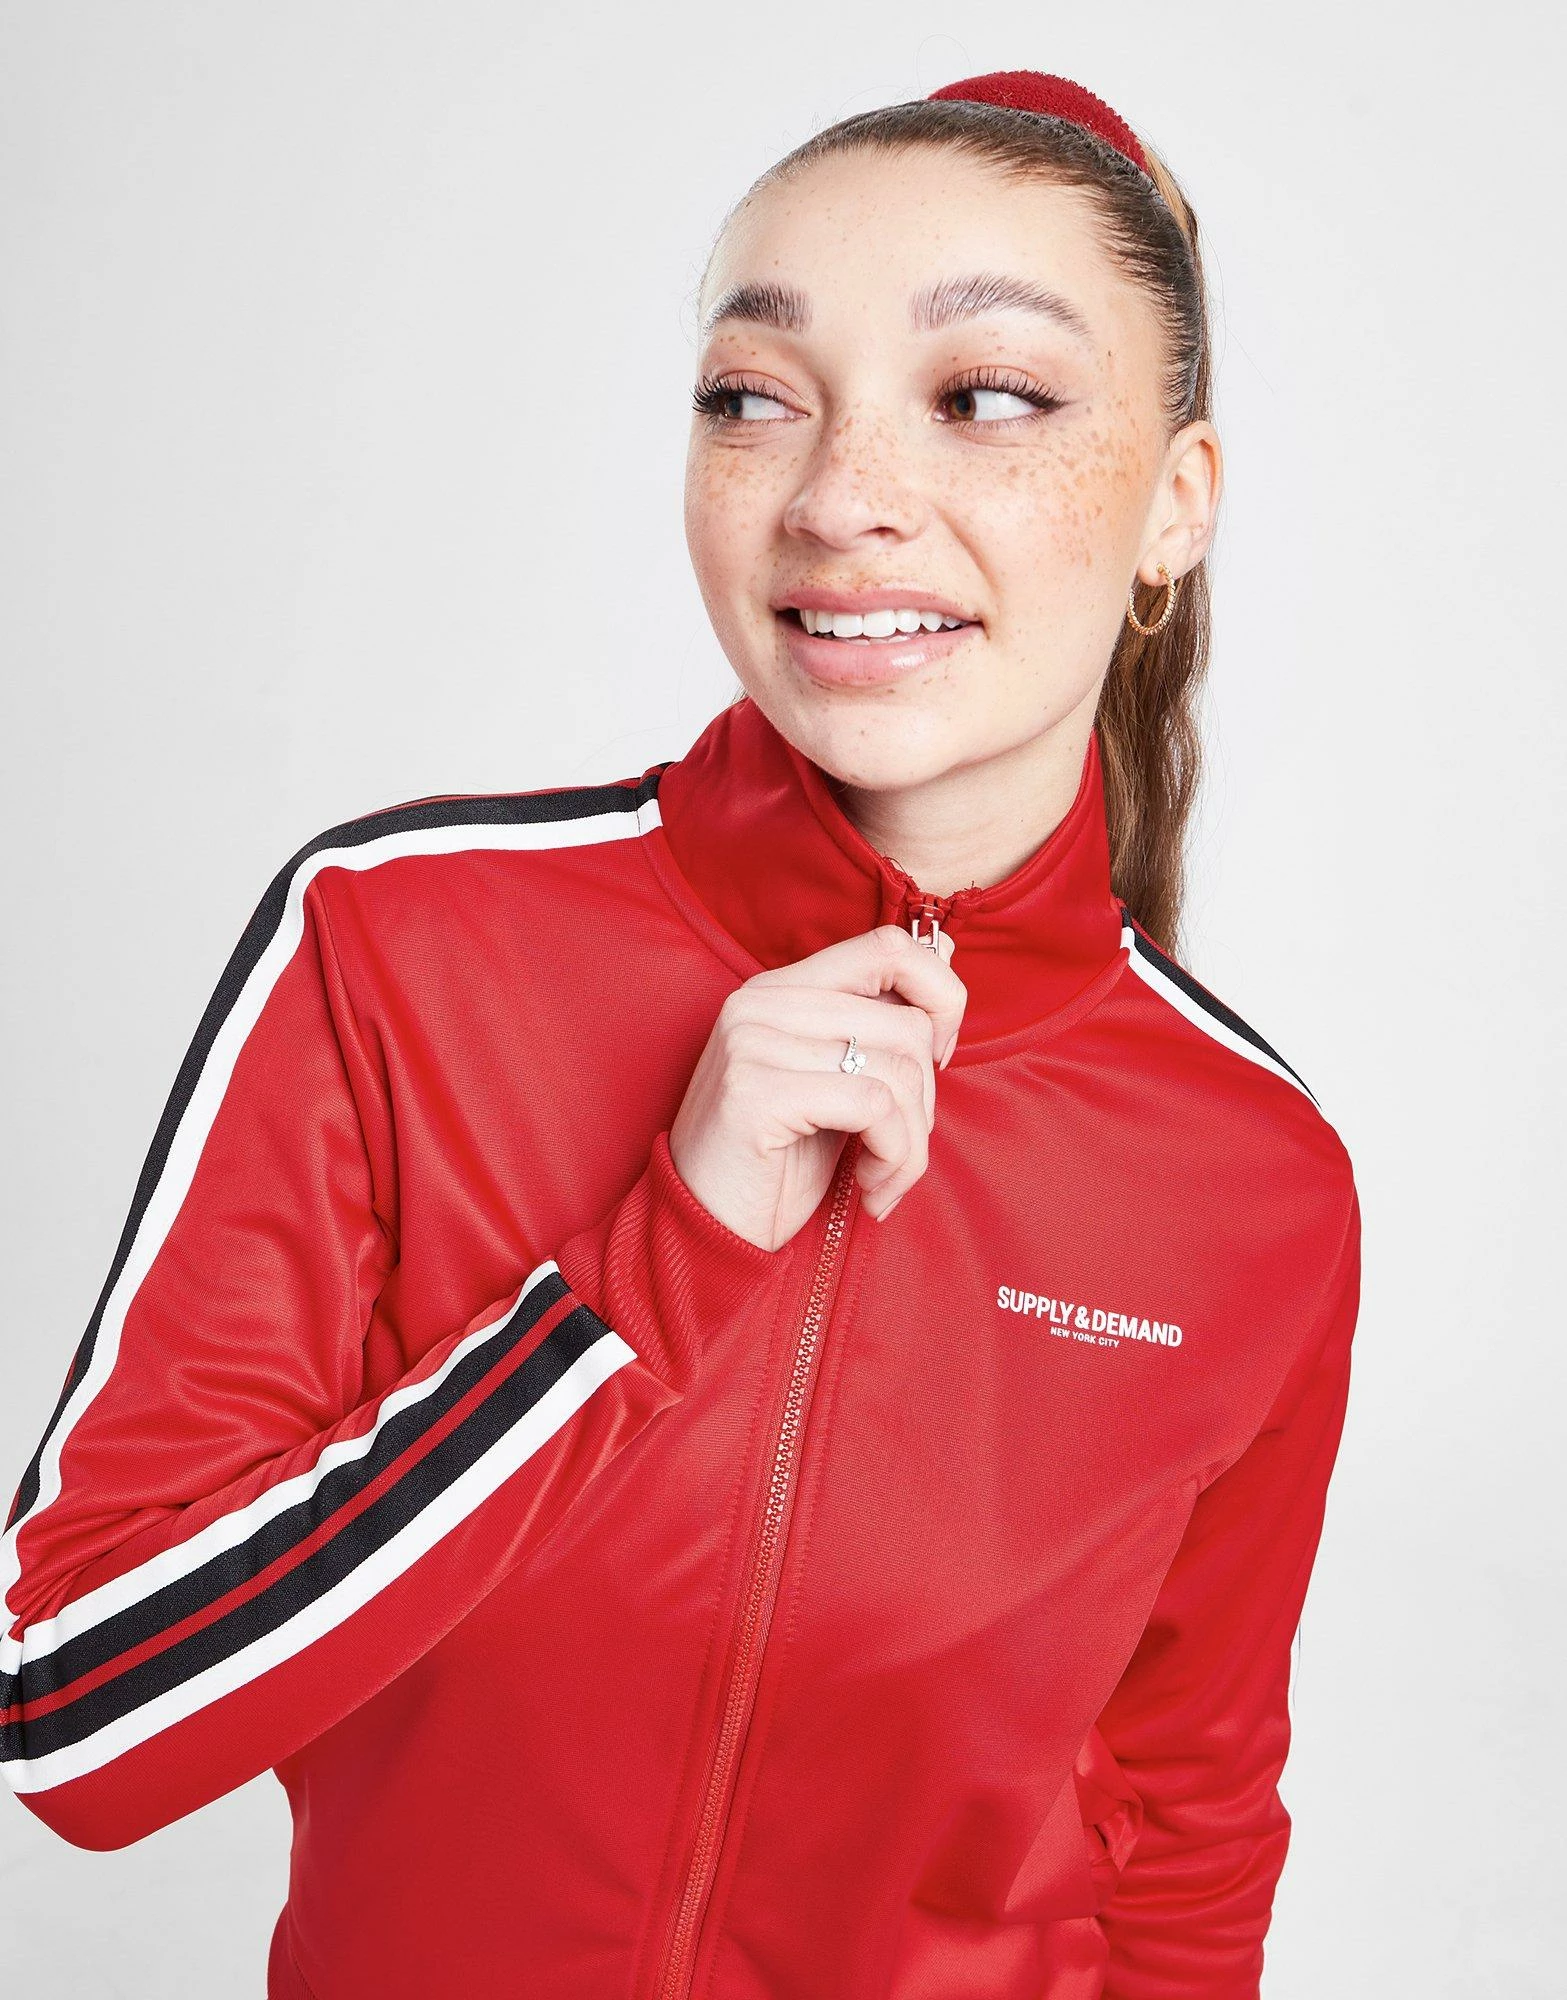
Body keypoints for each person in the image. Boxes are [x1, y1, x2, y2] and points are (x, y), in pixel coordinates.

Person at [1, 68, 1361, 2000]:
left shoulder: (1252, 1181)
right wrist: (648, 1277)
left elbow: (1184, 1836)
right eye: (752, 396)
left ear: (1175, 505)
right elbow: (75, 1711)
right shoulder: (401, 949)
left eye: (986, 397)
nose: (837, 498)